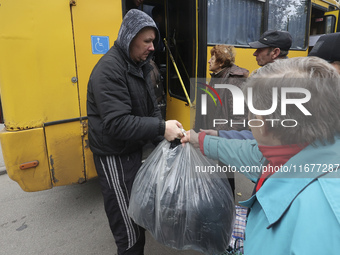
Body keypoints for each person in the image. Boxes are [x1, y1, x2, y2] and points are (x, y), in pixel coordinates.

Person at [182, 57, 340, 254]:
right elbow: (248, 153)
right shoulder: (293, 153)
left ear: (262, 124)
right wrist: (201, 140)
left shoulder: (323, 221)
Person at [87, 9, 184, 255]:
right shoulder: (109, 70)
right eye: (147, 41)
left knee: (138, 211)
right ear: (129, 38)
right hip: (114, 156)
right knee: (127, 227)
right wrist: (162, 127)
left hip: (131, 150)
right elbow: (117, 123)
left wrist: (168, 139)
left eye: (154, 41)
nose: (153, 47)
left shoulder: (139, 65)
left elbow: (150, 110)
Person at [200, 45, 249, 131]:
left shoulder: (234, 81)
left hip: (222, 139)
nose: (208, 61)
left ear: (221, 63)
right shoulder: (216, 77)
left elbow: (239, 119)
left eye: (212, 59)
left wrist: (224, 138)